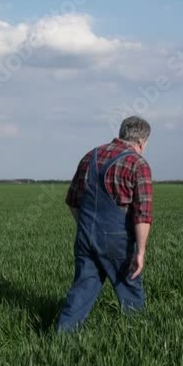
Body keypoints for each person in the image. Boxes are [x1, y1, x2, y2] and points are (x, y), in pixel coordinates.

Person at [56, 116, 153, 333]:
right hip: (116, 240)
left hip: (85, 236)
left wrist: (87, 228)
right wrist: (141, 252)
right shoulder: (138, 164)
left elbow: (72, 201)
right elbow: (142, 214)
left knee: (82, 290)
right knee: (131, 293)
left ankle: (60, 340)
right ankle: (139, 340)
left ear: (121, 133)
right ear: (142, 142)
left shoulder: (90, 156)